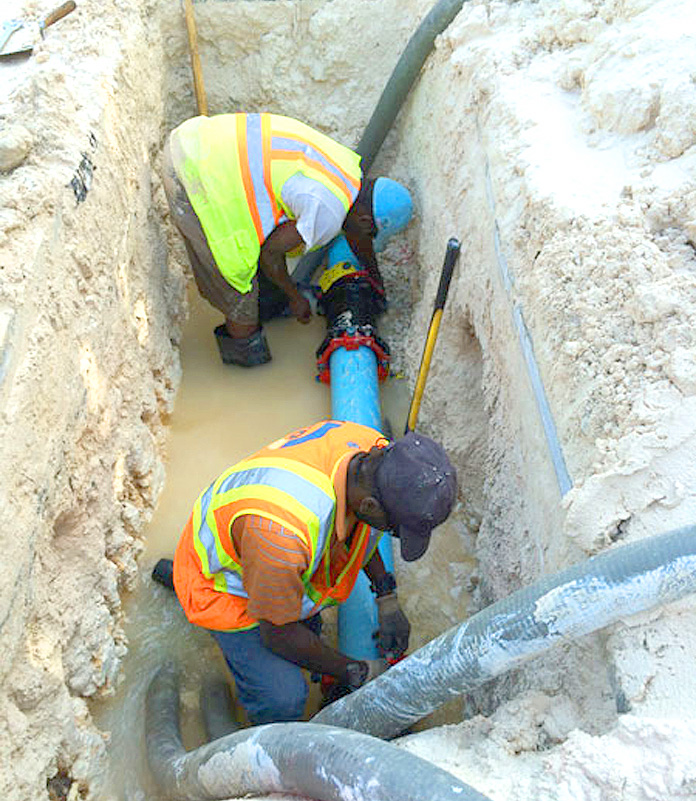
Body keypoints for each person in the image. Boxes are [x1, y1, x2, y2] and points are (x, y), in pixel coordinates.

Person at [152, 419, 457, 725]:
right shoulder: (281, 538)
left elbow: (365, 532)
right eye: (394, 528)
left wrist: (386, 595)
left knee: (309, 632)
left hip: (265, 553)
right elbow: (278, 635)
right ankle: (264, 740)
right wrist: (358, 671)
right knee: (283, 697)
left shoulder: (369, 448)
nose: (390, 534)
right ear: (370, 505)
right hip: (222, 584)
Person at [162, 112, 413, 367]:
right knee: (239, 288)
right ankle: (246, 371)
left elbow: (354, 237)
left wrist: (375, 276)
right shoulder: (328, 211)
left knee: (265, 257)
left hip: (200, 139)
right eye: (370, 235)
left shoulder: (347, 169)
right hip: (194, 173)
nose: (365, 240)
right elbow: (271, 253)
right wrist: (294, 296)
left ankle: (270, 306)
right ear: (365, 222)